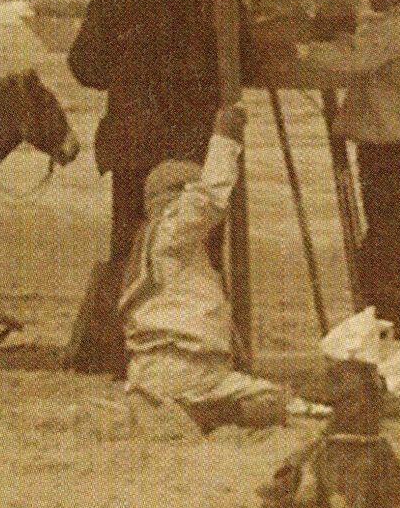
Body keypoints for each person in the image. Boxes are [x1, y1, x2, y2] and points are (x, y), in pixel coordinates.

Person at [65, 0, 224, 375]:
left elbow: (84, 67)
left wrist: (131, 72)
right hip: (195, 141)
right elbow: (245, 66)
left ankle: (125, 353)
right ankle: (198, 345)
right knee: (197, 243)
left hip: (133, 137)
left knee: (131, 243)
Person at [297, 0, 400, 380]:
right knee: (389, 252)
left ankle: (395, 355)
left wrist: (297, 49)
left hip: (395, 158)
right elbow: (358, 53)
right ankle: (399, 349)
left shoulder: (394, 30)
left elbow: (349, 61)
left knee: (384, 255)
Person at [119, 103, 285, 433]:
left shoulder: (153, 244)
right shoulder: (172, 228)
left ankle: (164, 405)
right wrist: (225, 138)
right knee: (273, 402)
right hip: (185, 367)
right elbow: (208, 198)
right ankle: (198, 414)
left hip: (150, 369)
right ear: (177, 196)